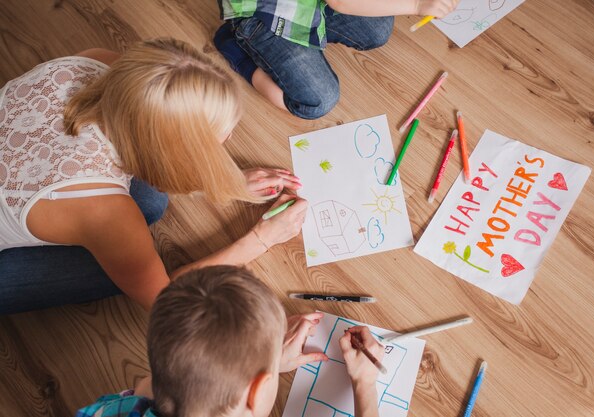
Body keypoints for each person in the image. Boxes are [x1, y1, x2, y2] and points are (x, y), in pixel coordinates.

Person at [0, 38, 306, 314]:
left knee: (150, 204)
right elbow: (165, 300)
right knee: (119, 272)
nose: (225, 141)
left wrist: (222, 178)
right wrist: (262, 238)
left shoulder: (100, 62)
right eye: (217, 141)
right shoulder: (104, 212)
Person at [75, 265, 385, 417]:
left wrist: (253, 365)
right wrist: (364, 385)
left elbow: (150, 386)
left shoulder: (128, 405)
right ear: (259, 390)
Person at [214, 0, 460, 119]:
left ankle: (313, 32)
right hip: (262, 16)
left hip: (311, 4)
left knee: (378, 29)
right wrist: (417, 4)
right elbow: (342, 2)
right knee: (317, 101)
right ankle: (237, 47)